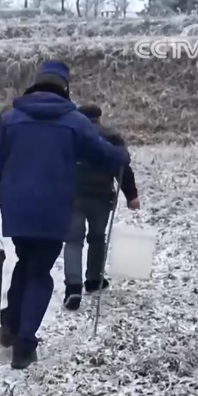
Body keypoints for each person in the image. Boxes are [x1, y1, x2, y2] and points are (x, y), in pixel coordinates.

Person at [0, 61, 130, 369]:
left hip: (17, 208)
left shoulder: (11, 118)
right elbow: (103, 154)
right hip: (53, 208)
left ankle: (10, 326)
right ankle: (24, 345)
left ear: (36, 84)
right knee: (40, 272)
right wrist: (120, 155)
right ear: (64, 87)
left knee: (26, 262)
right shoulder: (74, 121)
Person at [62, 104, 140, 311]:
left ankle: (73, 287)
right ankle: (94, 279)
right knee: (97, 238)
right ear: (99, 117)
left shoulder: (70, 135)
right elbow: (122, 166)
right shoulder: (111, 136)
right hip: (101, 196)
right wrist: (131, 195)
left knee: (73, 241)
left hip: (73, 196)